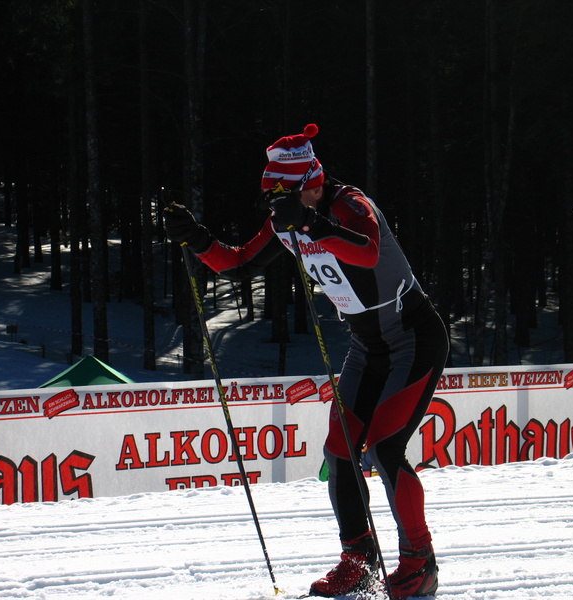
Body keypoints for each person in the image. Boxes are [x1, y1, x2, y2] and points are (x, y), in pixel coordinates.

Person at [164, 124, 449, 599]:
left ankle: (420, 562)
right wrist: (196, 238)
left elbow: (368, 251)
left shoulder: (350, 204)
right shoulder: (287, 218)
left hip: (413, 338)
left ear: (310, 183)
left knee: (384, 447)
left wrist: (313, 224)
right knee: (340, 450)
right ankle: (358, 560)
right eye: (272, 196)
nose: (276, 205)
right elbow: (240, 264)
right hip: (368, 346)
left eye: (284, 195)